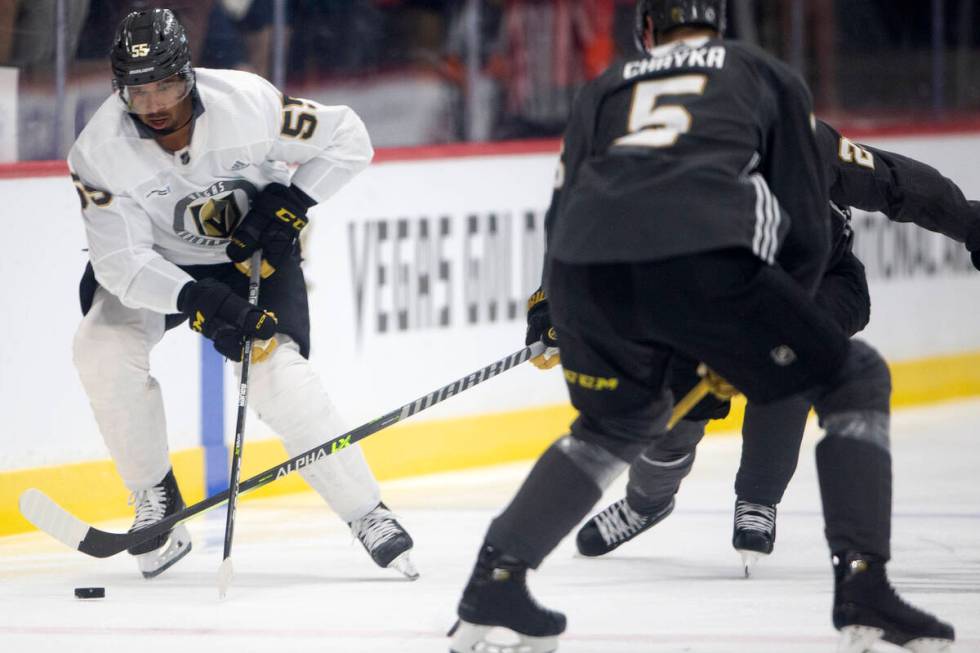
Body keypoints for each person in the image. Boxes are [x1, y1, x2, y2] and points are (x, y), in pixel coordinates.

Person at [449, 2, 954, 652]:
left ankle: (495, 579)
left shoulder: (607, 86)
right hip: (701, 259)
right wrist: (768, 330)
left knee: (611, 428)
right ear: (718, 27)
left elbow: (565, 205)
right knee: (855, 376)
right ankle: (863, 588)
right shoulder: (764, 75)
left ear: (647, 34)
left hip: (584, 272)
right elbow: (805, 226)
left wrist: (551, 312)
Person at [67, 8, 417, 581]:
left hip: (249, 249)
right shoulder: (97, 151)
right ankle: (157, 499)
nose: (154, 104)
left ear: (189, 76)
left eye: (165, 85)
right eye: (138, 91)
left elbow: (349, 137)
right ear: (119, 91)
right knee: (99, 349)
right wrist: (196, 301)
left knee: (278, 375)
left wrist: (293, 203)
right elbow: (120, 261)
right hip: (161, 265)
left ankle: (365, 511)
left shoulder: (247, 102)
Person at [571, 118, 980, 575]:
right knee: (675, 401)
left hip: (821, 285)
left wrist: (971, 223)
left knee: (787, 360)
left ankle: (758, 500)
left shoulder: (804, 144)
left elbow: (896, 182)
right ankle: (646, 503)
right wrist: (552, 306)